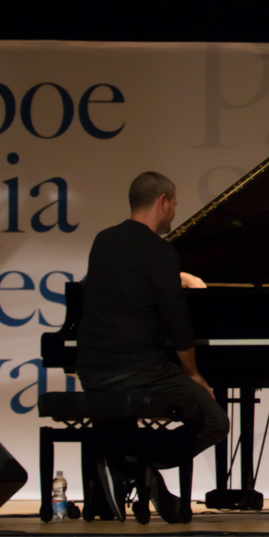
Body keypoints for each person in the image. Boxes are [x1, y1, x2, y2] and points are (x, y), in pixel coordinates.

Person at [76, 171, 229, 518]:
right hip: (138, 370)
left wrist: (178, 275)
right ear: (162, 202)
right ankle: (137, 461)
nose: (174, 212)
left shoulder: (103, 241)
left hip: (92, 370)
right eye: (174, 204)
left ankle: (123, 458)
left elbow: (129, 276)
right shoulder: (159, 250)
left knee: (123, 419)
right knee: (216, 421)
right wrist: (193, 373)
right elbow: (178, 321)